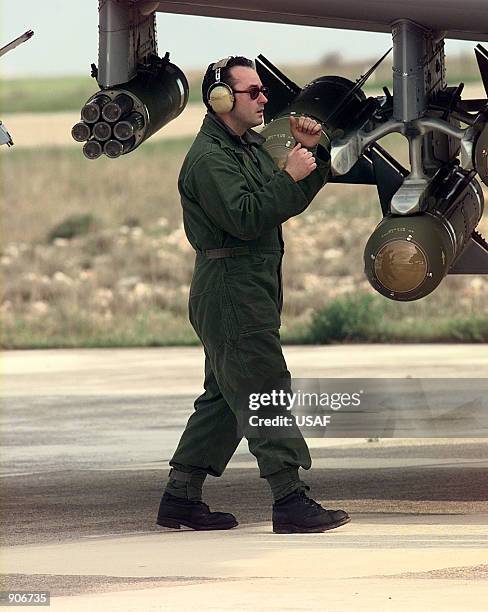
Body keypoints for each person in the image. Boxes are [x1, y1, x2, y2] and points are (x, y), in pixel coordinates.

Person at [156, 56, 350, 533]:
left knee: (225, 399)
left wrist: (311, 157)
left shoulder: (246, 147)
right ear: (222, 100)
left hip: (248, 287)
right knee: (264, 387)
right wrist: (288, 176)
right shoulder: (210, 159)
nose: (265, 99)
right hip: (230, 289)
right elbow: (245, 217)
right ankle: (290, 498)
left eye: (262, 91)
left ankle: (180, 498)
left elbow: (284, 203)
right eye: (254, 92)